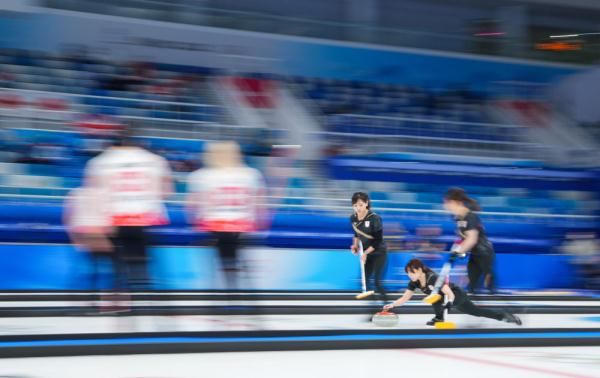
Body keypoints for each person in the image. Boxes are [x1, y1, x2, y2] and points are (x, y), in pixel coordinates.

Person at [83, 128, 173, 296]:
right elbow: (167, 191)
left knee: (117, 263)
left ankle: (120, 295)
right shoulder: (155, 160)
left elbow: (90, 194)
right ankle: (142, 296)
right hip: (143, 218)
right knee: (140, 261)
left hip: (113, 218)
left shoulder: (98, 162)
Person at [187, 141, 266, 291]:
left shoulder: (202, 175)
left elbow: (192, 206)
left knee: (218, 266)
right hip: (243, 226)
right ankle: (239, 296)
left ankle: (223, 296)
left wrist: (195, 224)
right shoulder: (251, 174)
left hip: (214, 225)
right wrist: (260, 225)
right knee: (240, 266)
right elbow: (260, 204)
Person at [384, 259, 521, 326]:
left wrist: (448, 304)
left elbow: (450, 293)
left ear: (420, 269)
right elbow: (405, 298)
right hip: (446, 298)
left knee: (435, 296)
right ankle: (505, 316)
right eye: (408, 273)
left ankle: (439, 318)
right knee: (477, 312)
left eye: (412, 272)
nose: (410, 275)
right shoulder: (414, 282)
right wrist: (393, 305)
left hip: (457, 294)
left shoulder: (433, 278)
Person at [443, 187, 496, 294]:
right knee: (472, 287)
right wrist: (455, 249)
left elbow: (472, 239)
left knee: (489, 287)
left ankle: (501, 308)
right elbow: (461, 237)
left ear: (454, 202)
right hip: (475, 254)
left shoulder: (471, 217)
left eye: (446, 203)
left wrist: (458, 251)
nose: (445, 206)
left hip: (484, 253)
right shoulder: (458, 218)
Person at [350, 192, 387, 301]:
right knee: (365, 282)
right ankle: (374, 309)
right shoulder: (353, 218)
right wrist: (355, 246)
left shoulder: (375, 218)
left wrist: (365, 253)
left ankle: (388, 308)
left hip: (379, 252)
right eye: (355, 205)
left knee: (377, 282)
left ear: (366, 203)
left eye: (360, 205)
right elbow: (356, 234)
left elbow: (378, 240)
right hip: (367, 254)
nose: (358, 208)